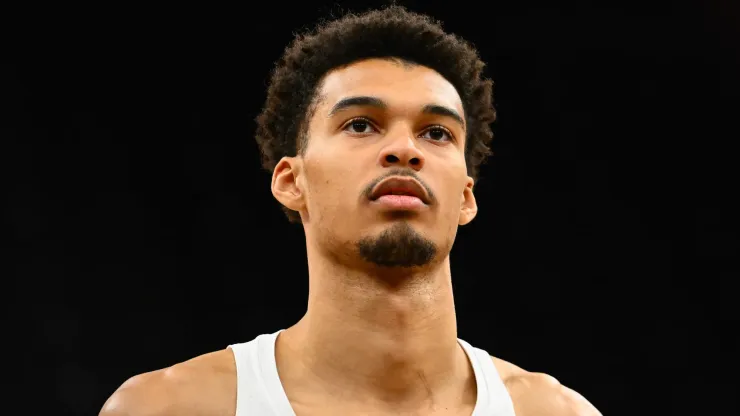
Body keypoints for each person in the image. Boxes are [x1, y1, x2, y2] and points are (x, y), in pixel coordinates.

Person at [100, 5, 602, 416]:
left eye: (436, 132)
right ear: (291, 181)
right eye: (361, 124)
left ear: (466, 197)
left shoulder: (558, 412)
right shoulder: (169, 408)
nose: (405, 149)